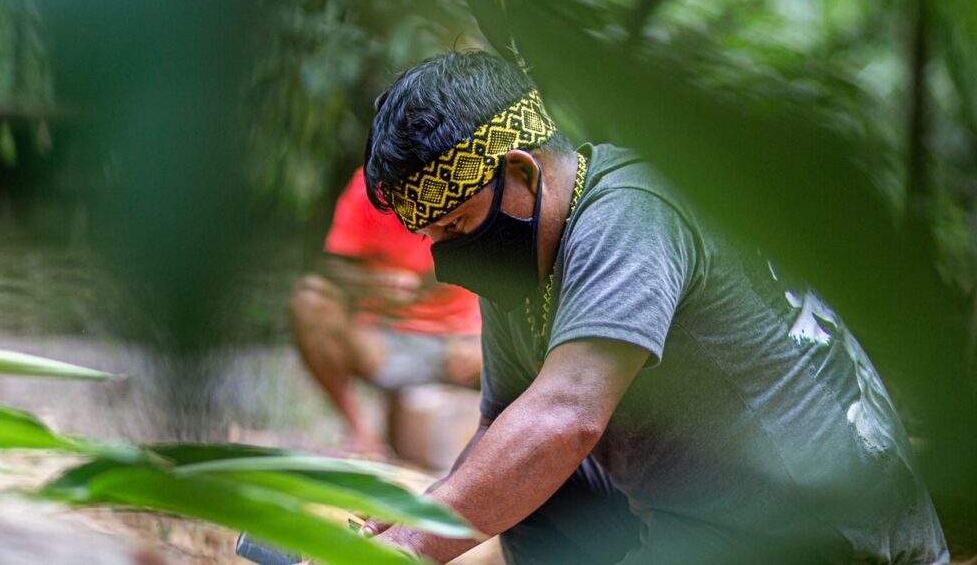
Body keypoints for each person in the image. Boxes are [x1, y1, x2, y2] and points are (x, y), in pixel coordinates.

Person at [358, 50, 948, 564]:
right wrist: (411, 519)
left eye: (458, 225)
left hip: (828, 534)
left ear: (521, 172)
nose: (451, 257)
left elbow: (567, 421)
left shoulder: (631, 214)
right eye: (436, 237)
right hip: (704, 517)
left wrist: (413, 547)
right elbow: (500, 430)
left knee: (535, 450)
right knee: (513, 469)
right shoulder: (519, 262)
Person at [289, 167, 482, 456]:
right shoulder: (367, 186)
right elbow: (332, 266)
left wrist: (488, 347)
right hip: (384, 343)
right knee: (309, 300)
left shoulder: (472, 174)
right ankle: (361, 434)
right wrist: (373, 284)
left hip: (464, 343)